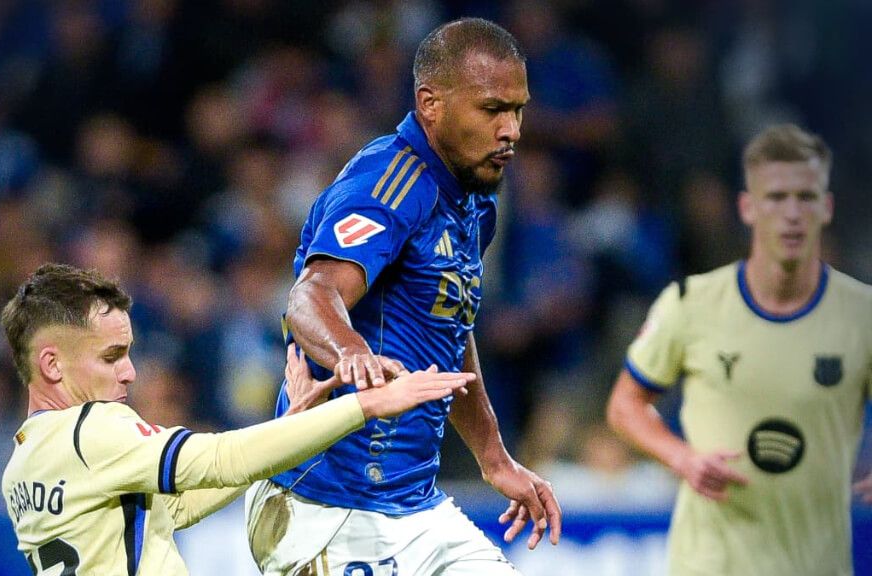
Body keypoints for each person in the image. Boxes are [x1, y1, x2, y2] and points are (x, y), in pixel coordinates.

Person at [245, 17, 561, 576]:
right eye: (492, 110)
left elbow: (449, 330)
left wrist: (494, 457)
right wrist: (351, 354)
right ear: (430, 103)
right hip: (325, 503)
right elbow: (311, 296)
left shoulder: (474, 203)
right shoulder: (388, 183)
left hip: (412, 503)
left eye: (518, 110)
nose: (511, 129)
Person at [0, 263, 474, 575]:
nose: (130, 372)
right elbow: (222, 459)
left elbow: (175, 510)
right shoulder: (93, 428)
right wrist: (363, 407)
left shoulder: (21, 465)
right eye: (111, 357)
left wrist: (291, 422)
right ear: (52, 365)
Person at [606, 124, 872, 575]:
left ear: (825, 208)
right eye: (776, 197)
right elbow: (623, 406)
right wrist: (682, 457)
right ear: (748, 207)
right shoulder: (690, 304)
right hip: (710, 565)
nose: (792, 213)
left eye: (805, 197)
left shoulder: (861, 314)